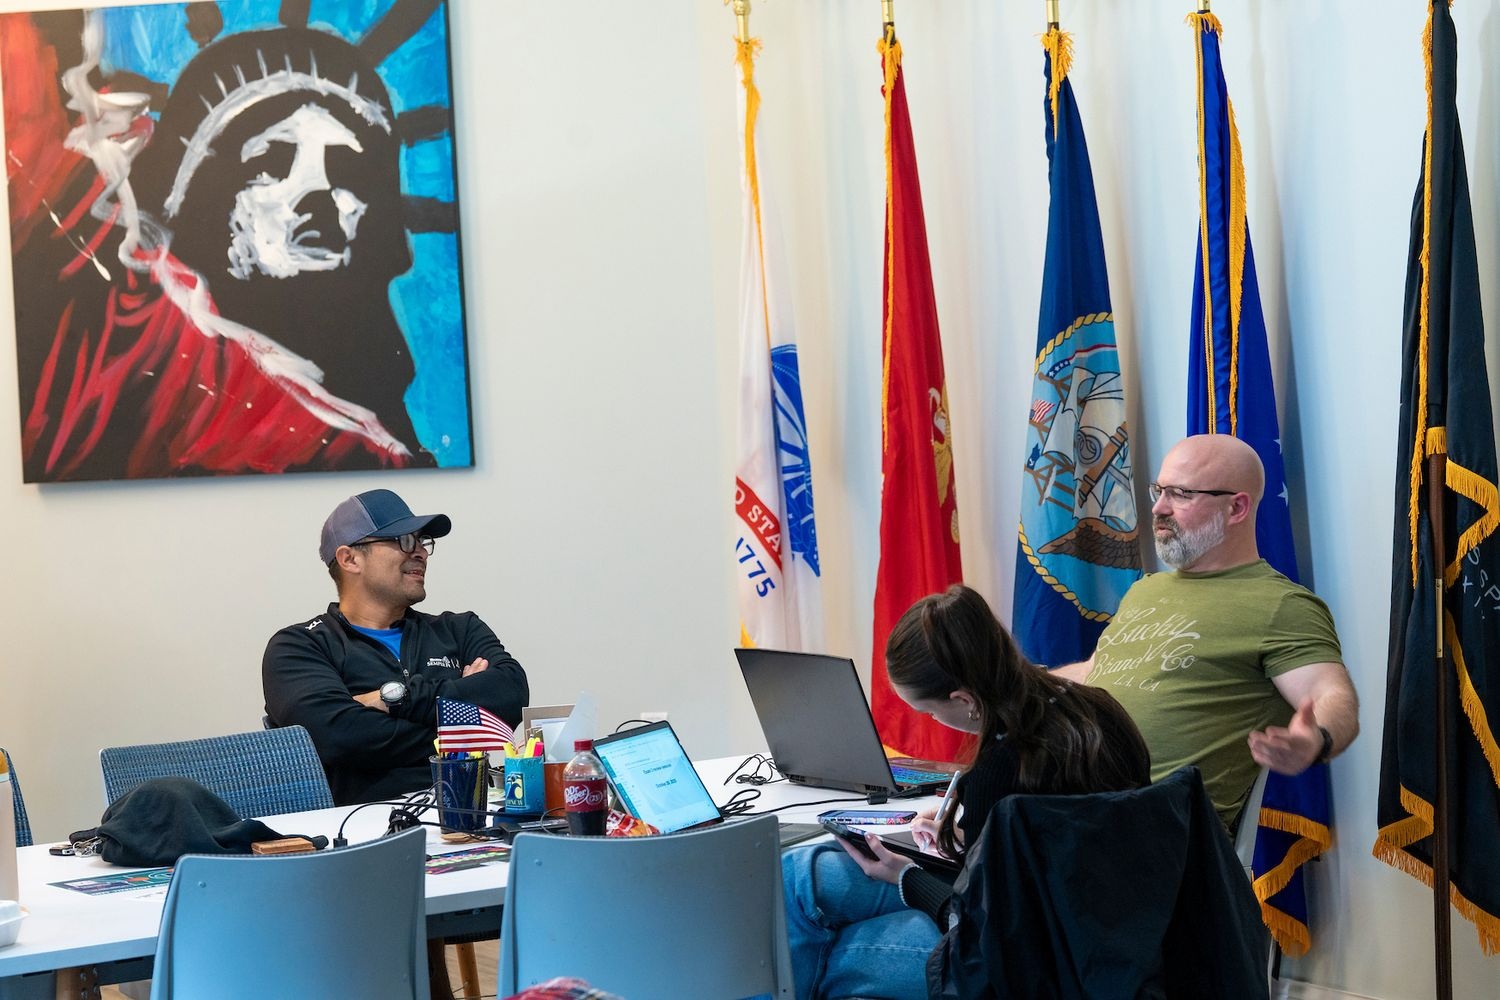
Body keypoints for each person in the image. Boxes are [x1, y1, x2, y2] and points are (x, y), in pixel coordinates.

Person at [782, 585, 1150, 1000]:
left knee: (831, 952)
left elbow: (980, 932)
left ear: (963, 699)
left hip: (1038, 965)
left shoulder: (1002, 767)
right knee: (805, 870)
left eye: (930, 712)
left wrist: (905, 876)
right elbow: (1059, 847)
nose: (934, 721)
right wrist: (966, 841)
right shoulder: (1101, 710)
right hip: (1112, 928)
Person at [1055, 433, 1360, 826]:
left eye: (1181, 494)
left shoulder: (1280, 604)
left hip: (1159, 827)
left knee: (1000, 830)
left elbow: (1332, 694)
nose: (1159, 508)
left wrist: (1315, 739)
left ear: (1236, 508)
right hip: (1080, 803)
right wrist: (1008, 686)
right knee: (983, 793)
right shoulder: (1145, 590)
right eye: (1158, 491)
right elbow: (1091, 673)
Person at [263, 489, 528, 805]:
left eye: (422, 542)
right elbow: (338, 737)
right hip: (364, 830)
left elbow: (511, 695)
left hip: (470, 817)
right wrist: (461, 723)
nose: (420, 553)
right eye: (404, 541)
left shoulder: (459, 628)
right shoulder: (299, 647)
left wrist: (393, 699)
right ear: (350, 559)